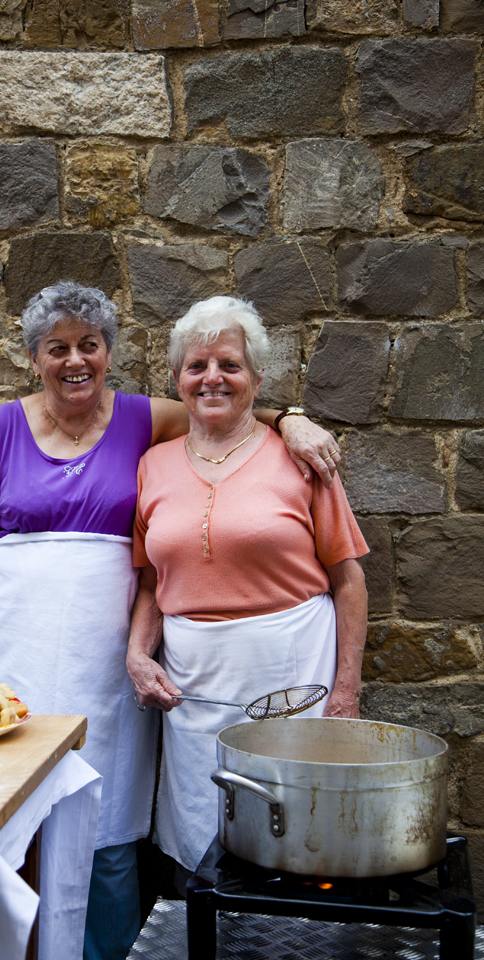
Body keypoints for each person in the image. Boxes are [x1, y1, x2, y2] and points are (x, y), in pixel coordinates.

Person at [0, 282, 343, 960]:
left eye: (89, 346)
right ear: (34, 358)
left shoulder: (140, 419)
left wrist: (295, 418)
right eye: (57, 348)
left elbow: (226, 406)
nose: (75, 361)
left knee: (104, 801)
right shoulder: (2, 427)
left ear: (109, 353)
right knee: (9, 799)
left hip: (108, 658)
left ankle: (105, 950)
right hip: (14, 648)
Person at [128, 295, 369, 879]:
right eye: (197, 366)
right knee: (202, 827)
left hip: (291, 672)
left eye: (229, 365)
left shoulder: (302, 458)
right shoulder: (152, 464)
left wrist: (346, 694)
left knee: (297, 830)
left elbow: (349, 580)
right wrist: (137, 653)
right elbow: (151, 579)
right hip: (194, 682)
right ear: (179, 380)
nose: (212, 378)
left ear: (257, 380)